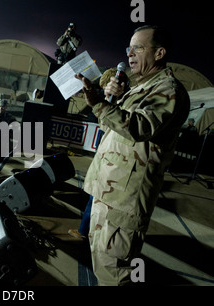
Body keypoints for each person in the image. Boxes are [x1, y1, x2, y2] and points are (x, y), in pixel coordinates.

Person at [74, 25, 190, 286]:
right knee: (101, 265)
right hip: (107, 192)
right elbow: (111, 129)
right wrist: (109, 100)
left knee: (114, 274)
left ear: (159, 53)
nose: (130, 54)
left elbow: (139, 128)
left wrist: (100, 104)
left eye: (138, 47)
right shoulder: (139, 88)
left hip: (123, 202)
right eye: (129, 48)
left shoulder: (168, 89)